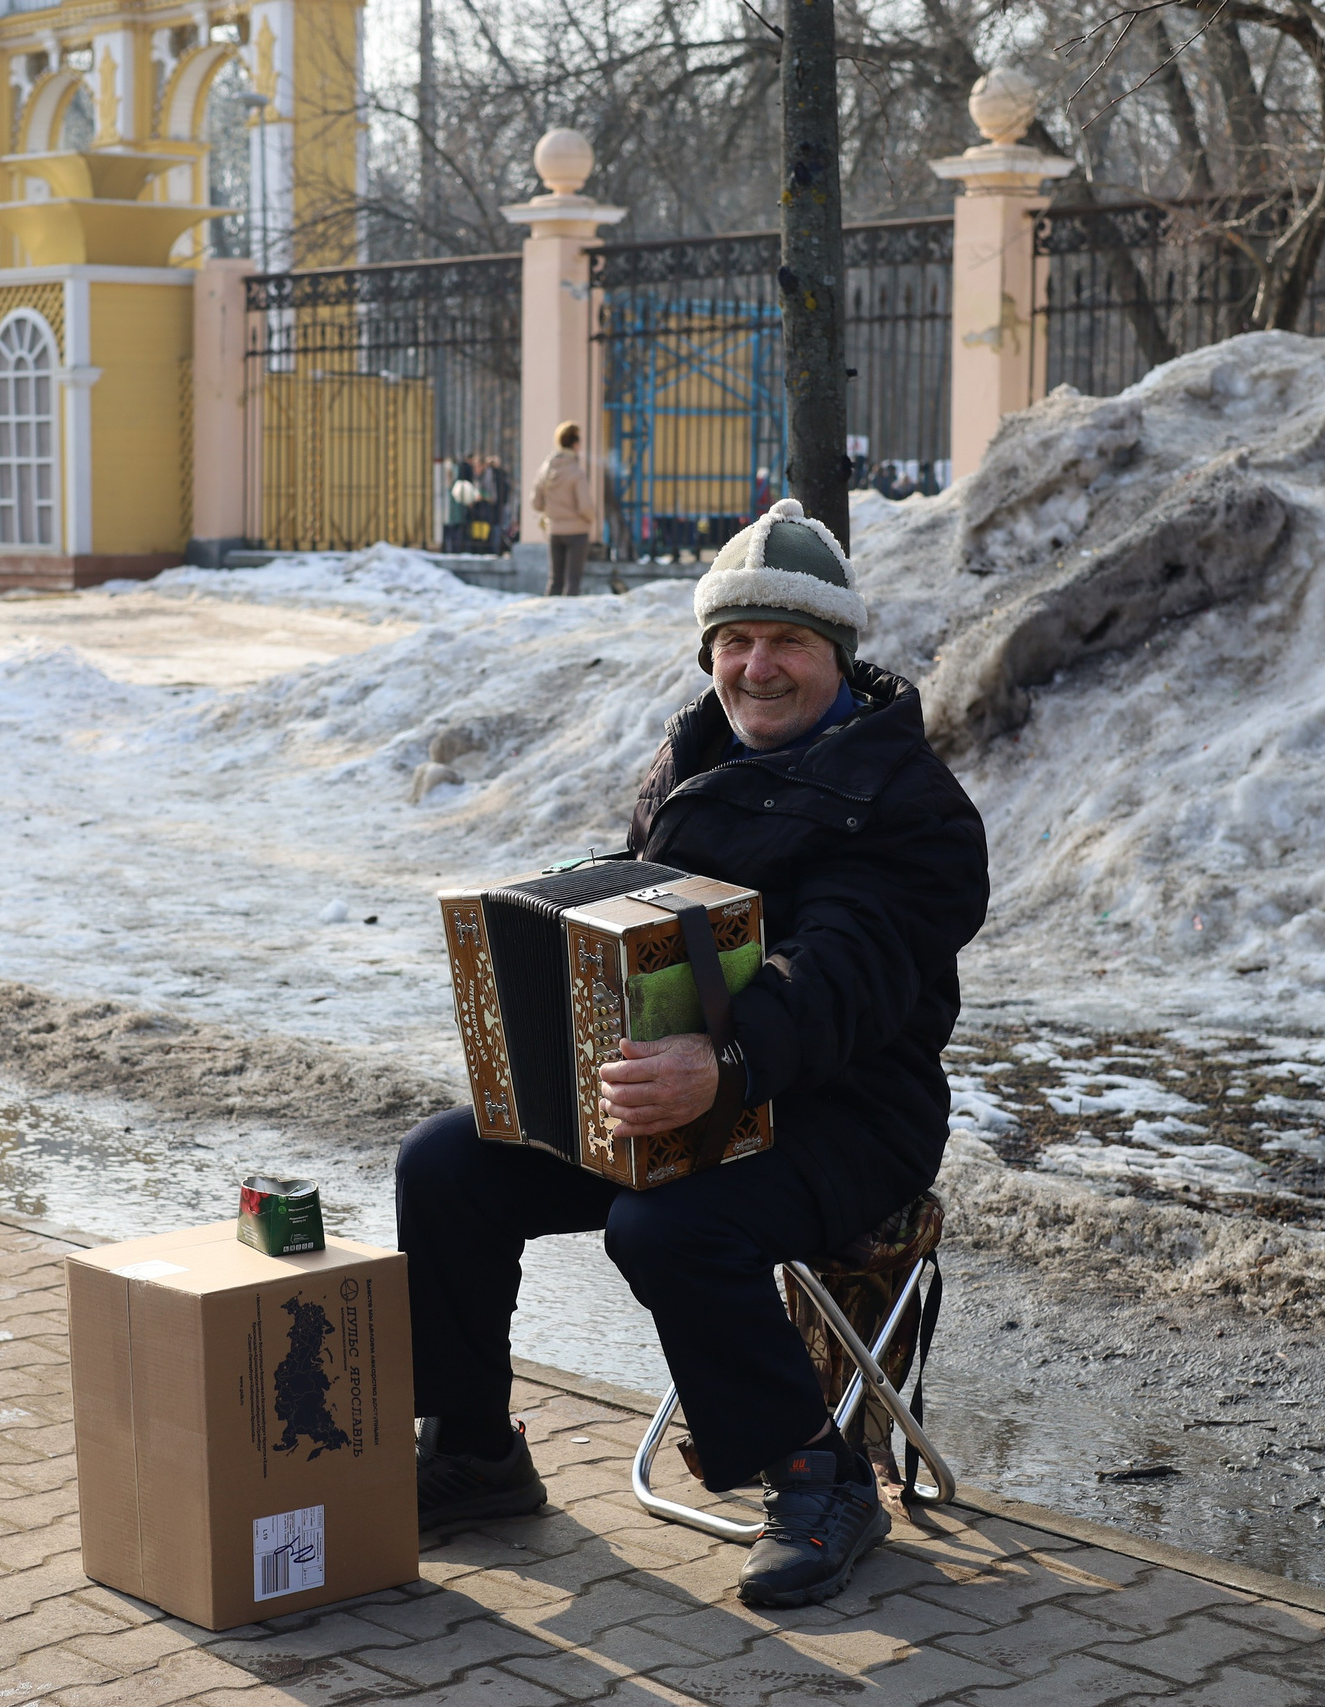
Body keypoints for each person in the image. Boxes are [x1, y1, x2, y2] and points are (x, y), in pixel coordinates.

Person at [395, 497, 989, 1610]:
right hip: (691, 1088)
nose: (757, 666)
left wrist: (724, 1067)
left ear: (838, 655)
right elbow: (654, 918)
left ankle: (821, 1480)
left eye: (788, 642)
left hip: (849, 1113)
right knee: (445, 1167)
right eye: (735, 642)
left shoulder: (907, 803)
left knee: (666, 1226)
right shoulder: (691, 754)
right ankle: (475, 1450)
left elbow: (844, 975)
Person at [529, 421, 596, 598]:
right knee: (573, 581)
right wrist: (591, 518)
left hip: (554, 530)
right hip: (577, 532)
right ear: (575, 444)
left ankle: (549, 617)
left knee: (555, 580)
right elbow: (585, 506)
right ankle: (570, 620)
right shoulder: (576, 472)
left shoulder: (546, 469)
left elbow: (536, 503)